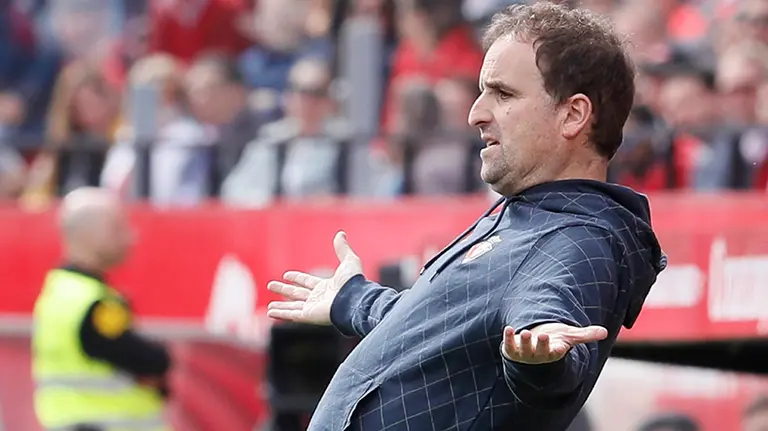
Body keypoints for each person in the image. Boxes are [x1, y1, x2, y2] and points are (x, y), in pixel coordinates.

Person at [267, 3, 665, 430]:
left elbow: (548, 336)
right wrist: (354, 300)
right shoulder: (534, 217)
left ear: (573, 115)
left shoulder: (577, 238)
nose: (476, 113)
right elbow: (441, 337)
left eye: (503, 94)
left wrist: (540, 361)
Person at [32, 187, 172, 431]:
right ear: (90, 235)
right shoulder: (93, 304)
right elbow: (149, 360)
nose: (131, 237)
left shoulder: (59, 291)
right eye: (117, 228)